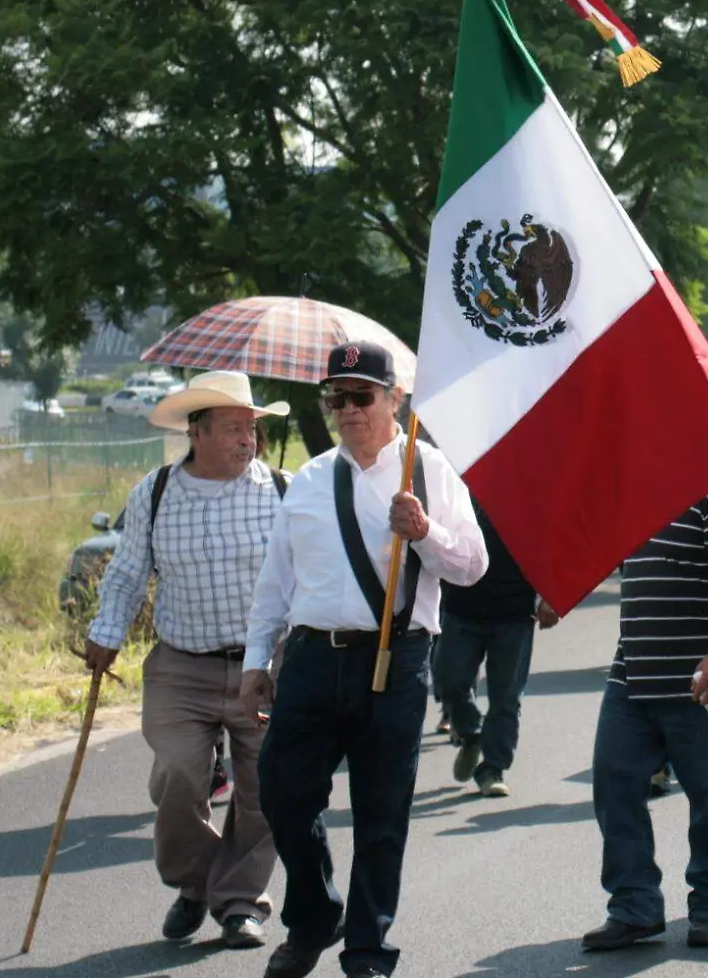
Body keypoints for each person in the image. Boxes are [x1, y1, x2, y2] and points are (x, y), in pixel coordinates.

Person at [239, 341, 488, 978]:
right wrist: (255, 664)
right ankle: (316, 915)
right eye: (337, 398)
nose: (348, 410)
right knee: (284, 794)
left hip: (396, 659)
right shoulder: (310, 481)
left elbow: (472, 567)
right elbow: (276, 582)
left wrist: (425, 532)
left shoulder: (427, 471)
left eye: (362, 397)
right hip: (312, 659)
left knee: (381, 813)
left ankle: (369, 947)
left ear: (394, 400)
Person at [84, 371, 290, 949]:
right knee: (177, 774)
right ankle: (197, 884)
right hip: (182, 662)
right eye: (232, 428)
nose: (247, 439)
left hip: (261, 665)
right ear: (197, 431)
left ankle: (241, 902)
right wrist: (107, 633)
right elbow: (128, 573)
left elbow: (310, 573)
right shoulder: (155, 490)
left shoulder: (281, 489)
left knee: (260, 787)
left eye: (252, 427)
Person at [582, 483, 708, 952]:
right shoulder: (637, 495)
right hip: (634, 674)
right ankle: (634, 907)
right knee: (614, 781)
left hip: (705, 682)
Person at [437, 497, 561, 798]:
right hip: (460, 607)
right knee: (448, 681)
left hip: (514, 613)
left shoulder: (532, 493)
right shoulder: (457, 483)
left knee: (506, 697)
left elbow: (553, 542)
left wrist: (552, 594)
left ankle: (493, 767)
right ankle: (471, 732)